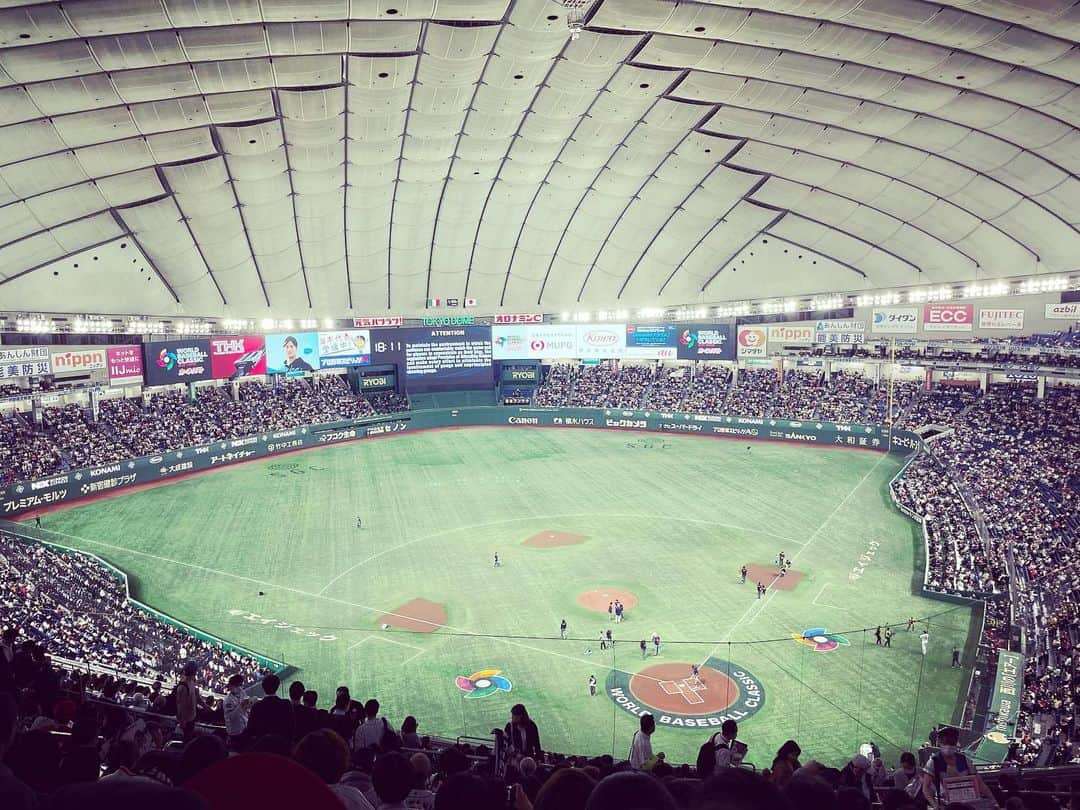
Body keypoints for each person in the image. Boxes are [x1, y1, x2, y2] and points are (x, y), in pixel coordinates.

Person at [921, 726, 996, 809]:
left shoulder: (965, 760)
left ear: (956, 743)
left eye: (952, 743)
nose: (948, 746)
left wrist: (994, 802)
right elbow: (925, 788)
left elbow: (980, 784)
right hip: (946, 804)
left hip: (968, 803)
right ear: (940, 743)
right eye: (945, 743)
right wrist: (935, 805)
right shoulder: (934, 761)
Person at [246, 673, 294, 743]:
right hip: (282, 746)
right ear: (277, 687)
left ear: (263, 687)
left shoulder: (257, 706)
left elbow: (250, 729)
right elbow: (291, 728)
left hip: (262, 747)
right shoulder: (286, 704)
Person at [222, 674, 253, 747]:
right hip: (235, 731)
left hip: (244, 726)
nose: (239, 687)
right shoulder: (228, 700)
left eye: (240, 685)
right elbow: (231, 717)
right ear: (231, 686)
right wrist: (241, 706)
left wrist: (250, 704)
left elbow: (246, 707)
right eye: (237, 685)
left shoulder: (242, 692)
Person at [174, 660, 200, 740]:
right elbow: (181, 706)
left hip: (191, 718)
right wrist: (182, 722)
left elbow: (195, 697)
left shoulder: (191, 681)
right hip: (186, 721)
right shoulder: (183, 687)